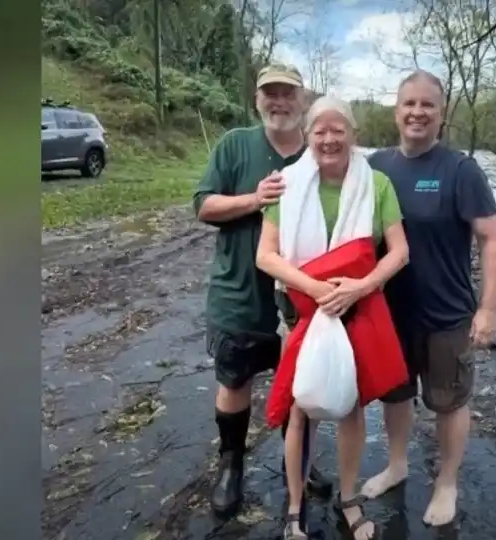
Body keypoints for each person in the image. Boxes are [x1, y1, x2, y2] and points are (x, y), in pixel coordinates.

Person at [256, 96, 410, 540]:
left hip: (356, 309)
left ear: (353, 136)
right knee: (301, 407)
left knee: (349, 404)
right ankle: (294, 509)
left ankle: (347, 499)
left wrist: (359, 288)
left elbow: (400, 251)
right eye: (319, 130)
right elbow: (266, 256)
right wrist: (316, 289)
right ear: (308, 136)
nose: (328, 138)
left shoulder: (376, 184)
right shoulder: (287, 184)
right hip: (306, 308)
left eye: (338, 129)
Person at [361, 70, 496, 527]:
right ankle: (398, 464)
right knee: (396, 394)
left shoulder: (460, 170)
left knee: (450, 402)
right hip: (391, 312)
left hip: (447, 315)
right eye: (409, 104)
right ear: (396, 111)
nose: (417, 112)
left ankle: (447, 482)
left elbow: (492, 239)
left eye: (427, 105)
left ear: (441, 114)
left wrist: (489, 308)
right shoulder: (377, 166)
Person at [192, 64, 333, 518]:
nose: (279, 102)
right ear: (257, 100)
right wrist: (254, 199)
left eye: (287, 94)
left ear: (303, 100)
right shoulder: (235, 145)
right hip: (238, 296)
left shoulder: (319, 155)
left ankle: (302, 464)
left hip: (301, 301)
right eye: (269, 93)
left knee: (302, 388)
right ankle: (230, 466)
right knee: (235, 383)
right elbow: (204, 205)